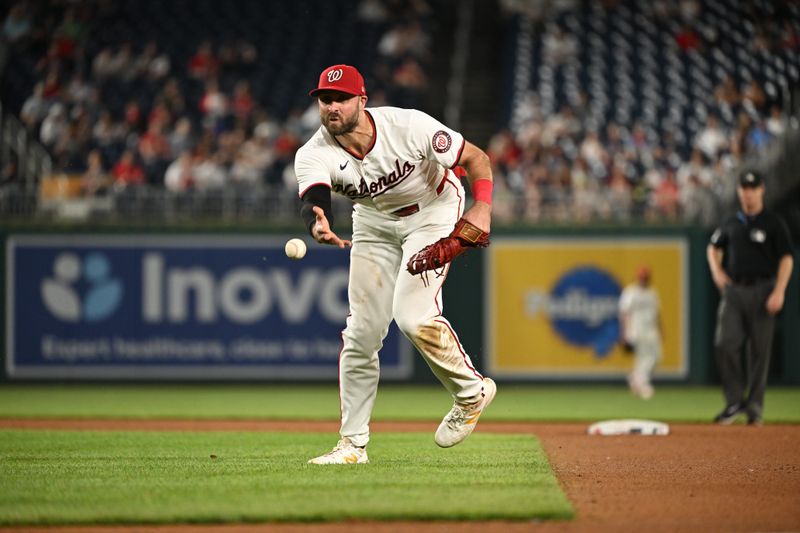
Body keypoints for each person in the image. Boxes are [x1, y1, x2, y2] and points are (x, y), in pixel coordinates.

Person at [295, 64, 496, 464]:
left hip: (433, 210)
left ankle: (471, 392)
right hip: (372, 224)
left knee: (412, 316)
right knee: (361, 334)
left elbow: (476, 158)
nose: (331, 107)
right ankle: (352, 445)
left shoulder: (408, 126)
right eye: (324, 100)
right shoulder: (313, 152)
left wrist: (483, 207)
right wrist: (317, 218)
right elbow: (314, 196)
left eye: (341, 98)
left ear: (362, 101)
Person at [707, 171, 794, 426]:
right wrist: (717, 271)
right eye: (744, 187)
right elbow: (713, 246)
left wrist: (780, 290)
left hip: (764, 289)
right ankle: (734, 401)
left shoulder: (773, 222)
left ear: (762, 190)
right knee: (724, 343)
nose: (748, 192)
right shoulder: (730, 222)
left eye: (753, 187)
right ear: (739, 191)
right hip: (734, 290)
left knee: (759, 351)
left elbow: (787, 257)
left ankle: (754, 409)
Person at [618, 265, 662, 400]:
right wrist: (624, 333)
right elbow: (624, 313)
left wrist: (661, 330)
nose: (643, 279)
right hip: (636, 330)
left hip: (651, 330)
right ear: (637, 277)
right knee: (643, 357)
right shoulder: (630, 292)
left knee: (656, 356)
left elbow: (657, 315)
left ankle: (635, 378)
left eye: (645, 277)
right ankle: (643, 383)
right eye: (641, 277)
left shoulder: (652, 293)